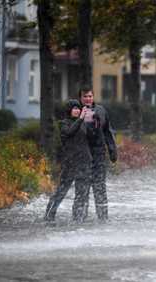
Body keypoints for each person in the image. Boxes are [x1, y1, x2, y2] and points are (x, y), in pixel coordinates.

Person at [44, 99, 91, 222]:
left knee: (81, 193)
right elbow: (69, 132)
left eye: (78, 108)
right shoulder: (64, 123)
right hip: (70, 163)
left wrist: (92, 119)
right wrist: (81, 119)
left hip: (84, 162)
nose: (77, 110)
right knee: (61, 190)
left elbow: (93, 136)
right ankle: (49, 214)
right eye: (74, 108)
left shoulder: (84, 124)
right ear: (69, 110)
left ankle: (78, 218)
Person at [79, 87, 117, 222]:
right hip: (82, 155)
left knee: (100, 187)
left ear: (93, 97)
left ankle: (103, 218)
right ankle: (79, 218)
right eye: (85, 96)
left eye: (90, 96)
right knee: (83, 188)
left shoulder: (101, 111)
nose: (87, 99)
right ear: (80, 98)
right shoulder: (76, 111)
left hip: (99, 154)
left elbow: (108, 131)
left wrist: (112, 149)